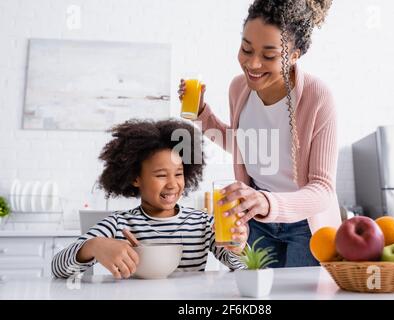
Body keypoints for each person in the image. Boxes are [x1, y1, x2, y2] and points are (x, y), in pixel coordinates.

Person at [178, 0, 341, 267]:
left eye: (269, 55)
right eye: (246, 49)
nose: (252, 64)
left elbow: (322, 189)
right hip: (257, 221)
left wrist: (266, 202)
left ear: (295, 54)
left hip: (306, 226)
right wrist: (202, 113)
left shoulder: (317, 96)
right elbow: (247, 147)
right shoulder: (239, 88)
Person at [51, 119, 247, 279]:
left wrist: (237, 245)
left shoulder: (202, 223)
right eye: (161, 175)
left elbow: (240, 266)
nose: (172, 184)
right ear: (136, 178)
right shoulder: (118, 224)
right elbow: (58, 268)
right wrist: (94, 246)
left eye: (178, 174)